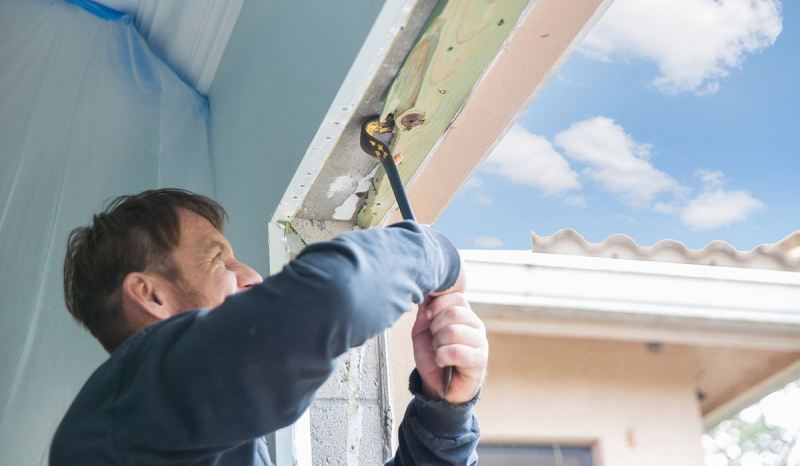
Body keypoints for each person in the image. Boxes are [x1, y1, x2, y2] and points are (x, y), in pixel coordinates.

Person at [50, 188, 488, 465]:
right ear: (150, 295)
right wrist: (435, 254)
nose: (253, 276)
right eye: (218, 258)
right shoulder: (126, 416)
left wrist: (444, 410)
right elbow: (337, 294)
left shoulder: (210, 437)